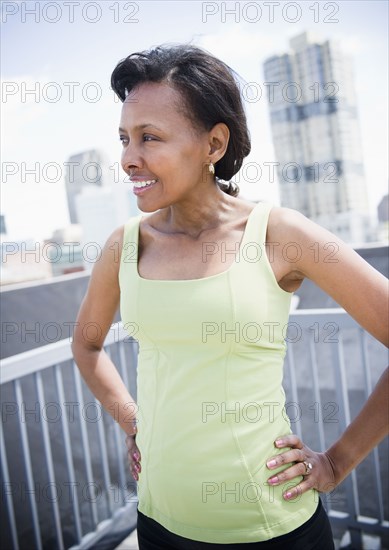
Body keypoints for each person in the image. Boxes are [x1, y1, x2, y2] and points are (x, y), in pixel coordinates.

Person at [71, 44, 389, 549]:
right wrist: (132, 420)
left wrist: (337, 461)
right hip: (158, 522)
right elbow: (86, 346)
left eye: (150, 138)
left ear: (214, 144)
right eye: (125, 139)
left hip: (269, 528)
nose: (130, 159)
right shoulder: (125, 244)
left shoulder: (278, 233)